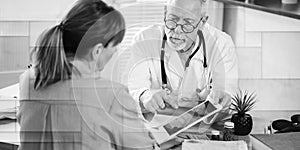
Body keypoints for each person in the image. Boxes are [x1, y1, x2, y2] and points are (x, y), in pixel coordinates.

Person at [17, 0, 178, 149]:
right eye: (114, 46)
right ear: (97, 51)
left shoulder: (28, 81)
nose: (115, 52)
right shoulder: (110, 96)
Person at [125, 0, 238, 122]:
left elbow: (227, 93)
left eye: (187, 23)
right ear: (164, 13)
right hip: (156, 128)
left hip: (203, 128)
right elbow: (134, 88)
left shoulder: (221, 44)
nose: (177, 30)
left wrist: (222, 101)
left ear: (202, 22)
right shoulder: (144, 39)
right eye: (172, 19)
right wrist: (145, 96)